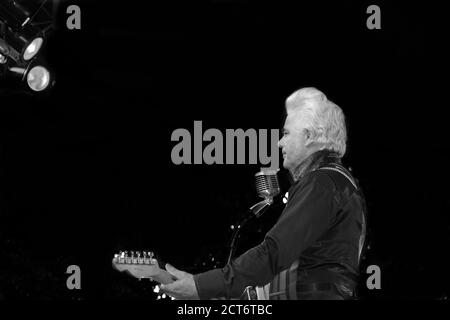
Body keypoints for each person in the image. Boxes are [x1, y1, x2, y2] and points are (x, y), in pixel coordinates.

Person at [160, 87, 367, 300]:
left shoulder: (320, 183)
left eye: (286, 134)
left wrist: (200, 286)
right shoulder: (341, 182)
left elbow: (273, 254)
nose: (280, 143)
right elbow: (311, 265)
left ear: (308, 136)